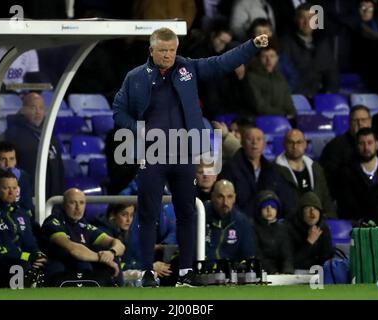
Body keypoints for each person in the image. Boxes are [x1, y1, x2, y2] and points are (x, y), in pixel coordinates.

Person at [113, 27, 268, 287]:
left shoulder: (188, 68)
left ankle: (186, 273)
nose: (168, 55)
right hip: (152, 154)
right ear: (151, 50)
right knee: (148, 214)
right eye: (163, 50)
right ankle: (147, 272)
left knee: (187, 213)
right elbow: (119, 112)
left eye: (172, 50)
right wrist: (138, 130)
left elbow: (222, 63)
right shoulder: (135, 77)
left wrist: (252, 45)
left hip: (185, 153)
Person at [41, 188, 125, 286]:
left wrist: (111, 253)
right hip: (58, 268)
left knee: (113, 259)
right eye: (73, 203)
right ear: (64, 205)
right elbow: (74, 249)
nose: (78, 208)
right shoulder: (53, 222)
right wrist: (102, 258)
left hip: (78, 268)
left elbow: (119, 245)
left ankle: (117, 292)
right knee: (81, 264)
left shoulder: (84, 225)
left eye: (81, 203)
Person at [0, 171, 47, 288]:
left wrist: (37, 254)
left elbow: (29, 242)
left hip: (22, 260)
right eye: (6, 188)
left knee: (50, 266)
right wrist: (26, 256)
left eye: (14, 188)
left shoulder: (21, 213)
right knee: (22, 267)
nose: (11, 192)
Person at [219, 127, 296, 218]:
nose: (254, 142)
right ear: (242, 143)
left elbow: (285, 201)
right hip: (240, 223)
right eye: (250, 139)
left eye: (258, 139)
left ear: (264, 144)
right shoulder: (230, 168)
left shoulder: (273, 170)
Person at [2, 92, 64, 199]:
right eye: (33, 107)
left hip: (52, 198)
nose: (38, 112)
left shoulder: (49, 134)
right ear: (24, 110)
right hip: (28, 197)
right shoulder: (13, 135)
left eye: (41, 108)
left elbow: (59, 167)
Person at [280, 3, 339, 98]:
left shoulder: (322, 43)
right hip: (296, 97)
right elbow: (284, 75)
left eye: (310, 17)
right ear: (296, 20)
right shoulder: (285, 43)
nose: (307, 22)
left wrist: (329, 92)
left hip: (320, 96)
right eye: (302, 18)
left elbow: (331, 72)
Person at [274, 129, 335, 218]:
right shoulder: (274, 170)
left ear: (305, 144)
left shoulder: (316, 168)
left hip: (316, 221)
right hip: (289, 223)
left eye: (299, 142)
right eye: (291, 142)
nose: (295, 146)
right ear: (284, 144)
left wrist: (331, 218)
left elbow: (325, 199)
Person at [320, 105, 372, 200]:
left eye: (363, 120)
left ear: (370, 121)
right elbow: (329, 179)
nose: (360, 124)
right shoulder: (335, 146)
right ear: (349, 123)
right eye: (355, 121)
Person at [337, 128, 378, 224]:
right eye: (362, 143)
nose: (366, 148)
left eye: (370, 143)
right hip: (357, 224)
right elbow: (346, 204)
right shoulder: (346, 172)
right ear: (356, 146)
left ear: (377, 145)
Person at [205, 180, 256, 263]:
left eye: (229, 197)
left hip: (230, 273)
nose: (225, 202)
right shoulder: (200, 216)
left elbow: (248, 255)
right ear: (212, 197)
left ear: (234, 198)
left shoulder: (242, 222)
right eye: (220, 197)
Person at [246, 42, 296, 119]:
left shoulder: (280, 78)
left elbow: (288, 103)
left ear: (277, 58)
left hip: (281, 119)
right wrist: (283, 114)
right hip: (259, 120)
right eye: (264, 57)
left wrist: (292, 114)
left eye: (272, 56)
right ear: (258, 58)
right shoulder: (251, 77)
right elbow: (259, 107)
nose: (269, 60)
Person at [286, 191, 334, 270]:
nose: (312, 212)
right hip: (297, 273)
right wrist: (309, 242)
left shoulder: (323, 228)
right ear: (301, 213)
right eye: (308, 208)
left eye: (315, 208)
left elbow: (327, 259)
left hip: (319, 273)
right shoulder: (289, 228)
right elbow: (291, 263)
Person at [253, 190, 294, 274]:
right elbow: (258, 256)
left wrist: (287, 271)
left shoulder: (283, 228)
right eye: (265, 207)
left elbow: (287, 255)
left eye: (273, 207)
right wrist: (272, 271)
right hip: (261, 272)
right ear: (259, 209)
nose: (269, 210)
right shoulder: (253, 228)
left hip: (280, 274)